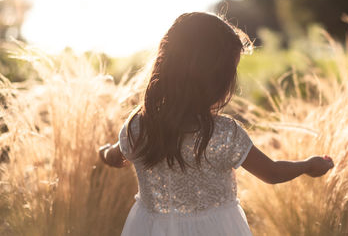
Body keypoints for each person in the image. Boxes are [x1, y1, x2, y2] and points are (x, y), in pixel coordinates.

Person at [98, 12, 334, 236]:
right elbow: (272, 173)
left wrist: (104, 152)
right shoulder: (224, 133)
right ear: (216, 80)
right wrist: (307, 165)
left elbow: (115, 157)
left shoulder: (139, 126)